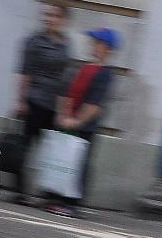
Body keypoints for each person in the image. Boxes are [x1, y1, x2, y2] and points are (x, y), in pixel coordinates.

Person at [46, 27, 119, 218]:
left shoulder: (105, 74)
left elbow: (95, 104)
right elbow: (68, 92)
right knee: (62, 160)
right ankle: (55, 197)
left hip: (84, 127)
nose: (93, 45)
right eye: (93, 42)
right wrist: (62, 115)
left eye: (97, 43)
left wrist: (77, 121)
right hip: (67, 123)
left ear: (107, 48)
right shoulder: (84, 68)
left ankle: (71, 204)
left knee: (79, 163)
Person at [10, 3, 73, 204]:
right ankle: (21, 191)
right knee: (25, 147)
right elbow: (25, 72)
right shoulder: (34, 41)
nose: (49, 18)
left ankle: (47, 194)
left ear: (63, 20)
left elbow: (64, 79)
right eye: (48, 15)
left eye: (55, 15)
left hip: (53, 105)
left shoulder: (66, 44)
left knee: (50, 152)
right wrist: (21, 100)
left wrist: (63, 109)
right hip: (35, 100)